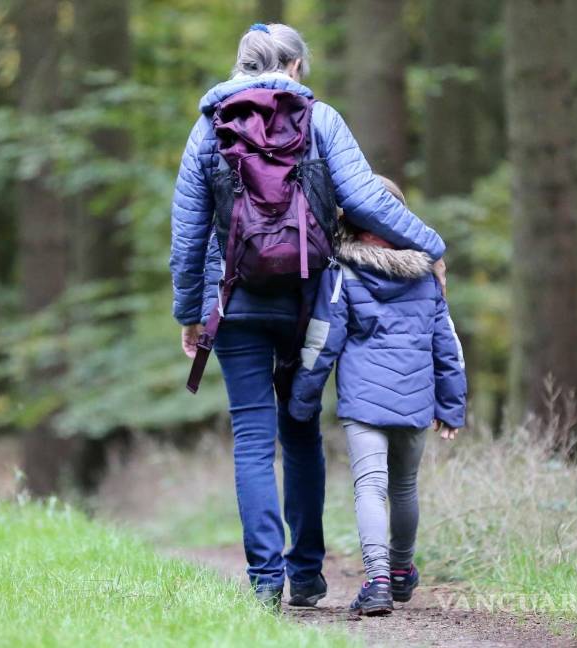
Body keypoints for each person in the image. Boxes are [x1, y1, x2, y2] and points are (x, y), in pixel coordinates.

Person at [169, 23, 447, 610]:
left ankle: (265, 581)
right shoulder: (322, 120)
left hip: (235, 301)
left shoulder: (207, 128)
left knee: (251, 437)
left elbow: (188, 233)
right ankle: (308, 574)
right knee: (300, 431)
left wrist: (190, 313)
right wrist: (431, 246)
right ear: (295, 66)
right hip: (308, 301)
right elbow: (368, 199)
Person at [288, 178, 467, 615]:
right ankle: (403, 571)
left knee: (370, 487)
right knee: (404, 487)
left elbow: (322, 340)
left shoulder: (343, 271)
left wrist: (302, 399)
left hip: (364, 403)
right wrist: (451, 404)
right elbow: (448, 345)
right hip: (415, 398)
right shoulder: (426, 274)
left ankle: (379, 581)